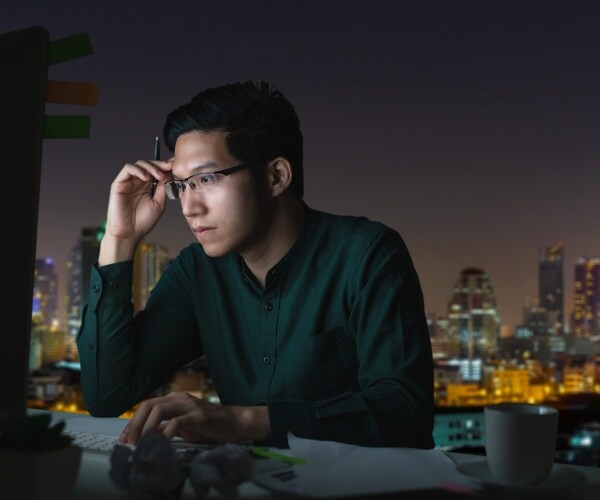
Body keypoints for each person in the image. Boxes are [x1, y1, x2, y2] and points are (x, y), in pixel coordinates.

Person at [76, 80, 435, 449]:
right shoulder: (197, 272)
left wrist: (244, 421)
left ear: (276, 176)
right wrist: (119, 238)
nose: (188, 207)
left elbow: (406, 409)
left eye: (206, 179)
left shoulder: (367, 254)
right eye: (181, 185)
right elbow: (107, 395)